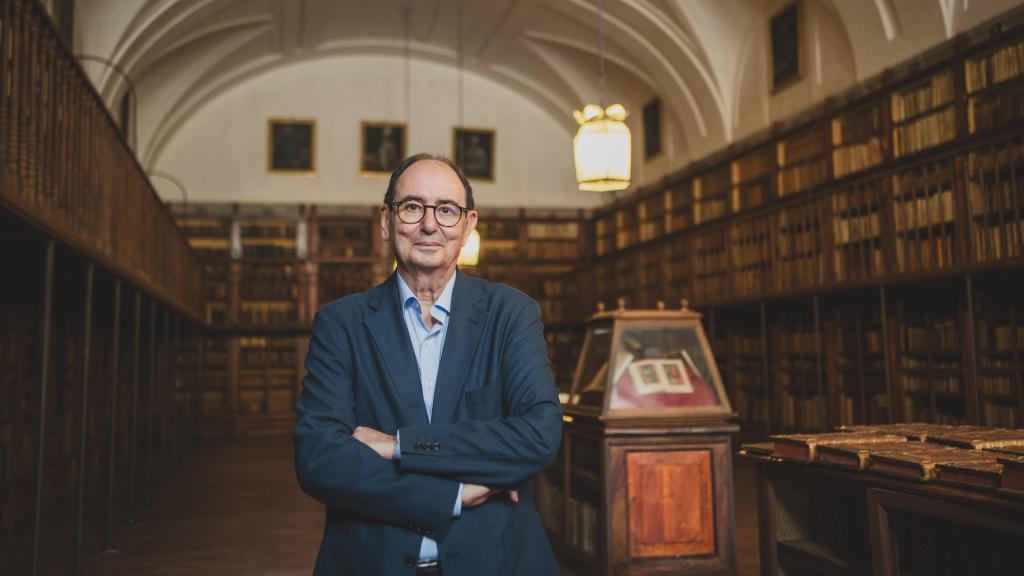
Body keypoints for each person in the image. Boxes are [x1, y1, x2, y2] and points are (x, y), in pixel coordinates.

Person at [294, 153, 563, 576]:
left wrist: (400, 445)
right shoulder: (341, 323)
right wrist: (452, 495)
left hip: (497, 562)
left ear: (468, 225)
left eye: (447, 210)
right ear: (386, 220)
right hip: (371, 563)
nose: (429, 224)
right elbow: (319, 459)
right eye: (413, 207)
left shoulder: (511, 313)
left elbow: (539, 435)